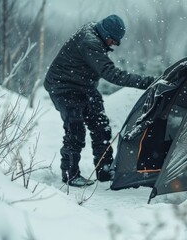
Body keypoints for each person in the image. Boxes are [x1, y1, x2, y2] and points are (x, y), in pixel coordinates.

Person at [44, 14, 155, 187]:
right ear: (104, 34)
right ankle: (70, 174)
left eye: (117, 41)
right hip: (63, 86)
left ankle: (104, 170)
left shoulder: (96, 34)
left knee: (101, 127)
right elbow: (111, 74)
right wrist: (148, 82)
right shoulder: (90, 42)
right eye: (113, 40)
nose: (115, 45)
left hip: (84, 86)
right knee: (76, 129)